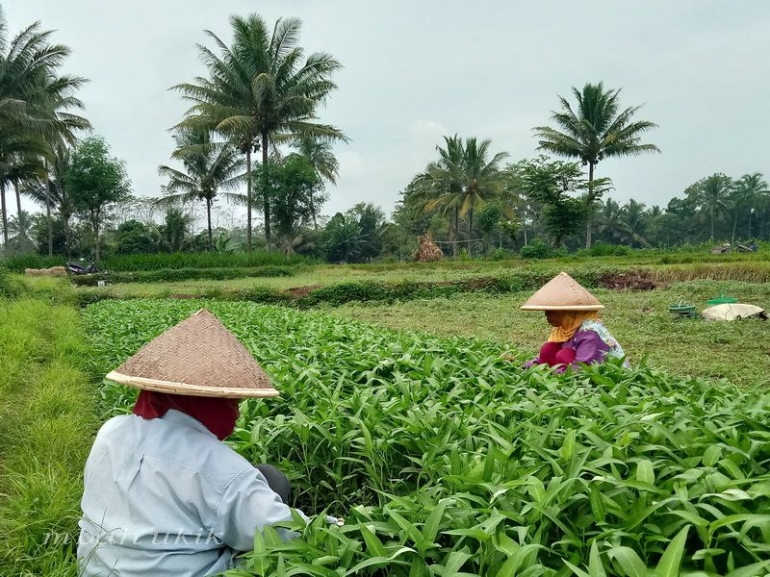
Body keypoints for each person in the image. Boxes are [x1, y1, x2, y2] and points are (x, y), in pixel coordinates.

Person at [78, 309, 327, 577]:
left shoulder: (110, 430)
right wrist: (339, 526)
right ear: (209, 403)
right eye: (232, 402)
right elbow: (284, 532)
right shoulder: (219, 469)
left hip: (94, 568)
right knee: (273, 490)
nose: (237, 412)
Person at [521, 272, 628, 371]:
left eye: (551, 311)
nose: (546, 314)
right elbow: (543, 357)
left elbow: (582, 365)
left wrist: (557, 377)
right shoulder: (563, 329)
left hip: (603, 372)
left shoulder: (590, 332)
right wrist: (529, 367)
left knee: (564, 355)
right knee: (549, 348)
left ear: (567, 313)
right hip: (571, 368)